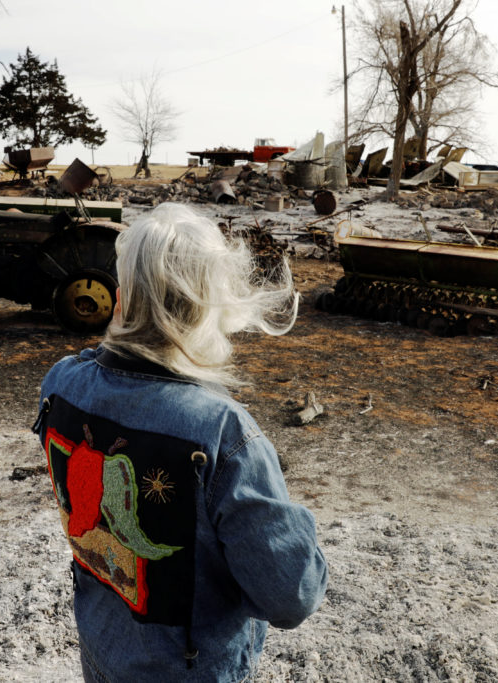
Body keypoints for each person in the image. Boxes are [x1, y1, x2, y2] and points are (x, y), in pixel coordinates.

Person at [34, 203, 327, 682]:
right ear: (210, 305)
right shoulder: (223, 432)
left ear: (123, 295)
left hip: (102, 646)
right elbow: (291, 596)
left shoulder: (61, 383)